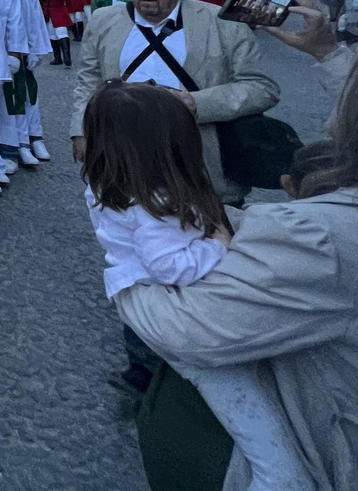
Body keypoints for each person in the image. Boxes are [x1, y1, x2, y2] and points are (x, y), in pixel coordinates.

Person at [117, 51, 358, 491]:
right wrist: (330, 52)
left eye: (341, 109)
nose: (328, 126)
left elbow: (190, 329)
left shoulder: (321, 235)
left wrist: (123, 270)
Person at [82, 81, 316, 491]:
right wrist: (220, 244)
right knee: (269, 452)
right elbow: (175, 267)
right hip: (184, 319)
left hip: (160, 307)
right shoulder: (153, 205)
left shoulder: (111, 185)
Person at [70, 0, 280, 204]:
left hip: (198, 153)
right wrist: (80, 131)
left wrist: (196, 103)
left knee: (212, 236)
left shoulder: (224, 23)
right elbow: (89, 80)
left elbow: (262, 88)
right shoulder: (103, 21)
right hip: (124, 156)